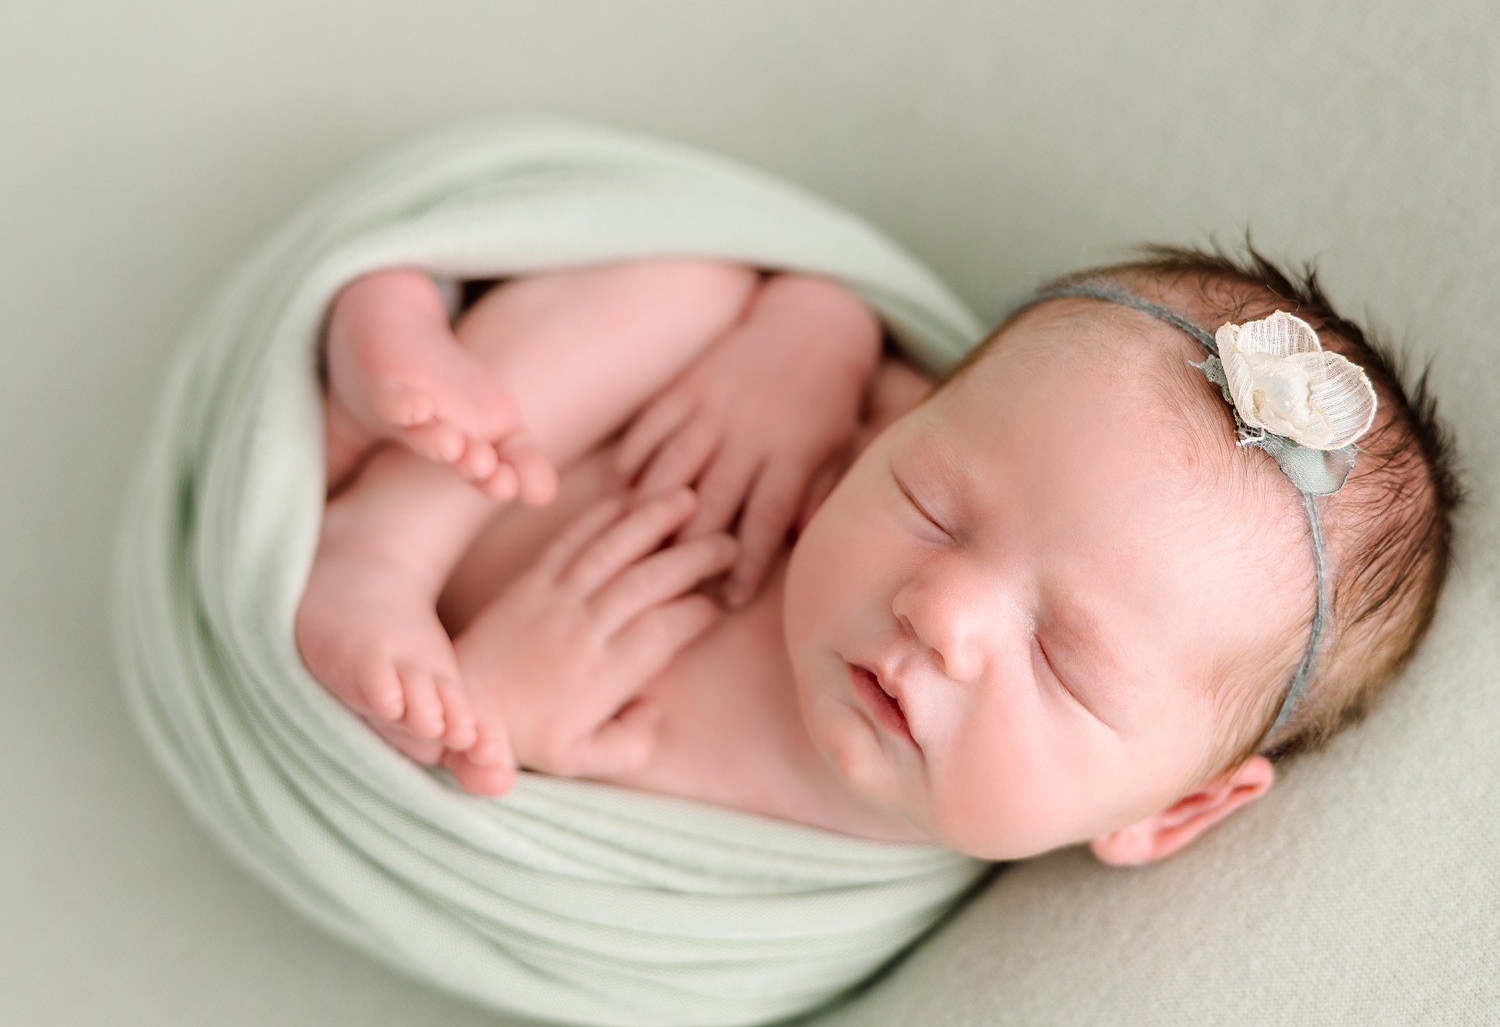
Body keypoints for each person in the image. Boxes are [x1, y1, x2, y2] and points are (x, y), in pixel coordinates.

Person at [295, 248, 1458, 864]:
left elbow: (534, 887)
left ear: (1173, 812)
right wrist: (811, 334)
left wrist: (503, 725)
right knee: (685, 284)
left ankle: (369, 384)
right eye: (935, 507)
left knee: (400, 708)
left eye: (1061, 661)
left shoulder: (806, 859)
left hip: (465, 636)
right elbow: (806, 285)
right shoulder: (868, 420)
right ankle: (383, 515)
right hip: (508, 421)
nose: (943, 611)